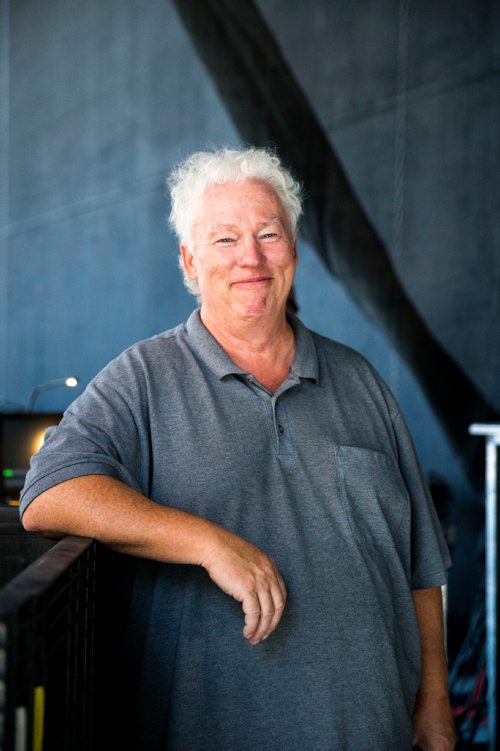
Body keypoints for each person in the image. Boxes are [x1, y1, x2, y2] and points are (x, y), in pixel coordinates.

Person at [21, 147, 456, 750]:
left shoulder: (362, 382)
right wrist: (207, 542)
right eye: (225, 239)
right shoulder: (143, 377)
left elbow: (421, 568)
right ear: (189, 261)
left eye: (269, 234)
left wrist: (435, 702)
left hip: (372, 729)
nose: (250, 257)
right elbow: (49, 494)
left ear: (294, 250)